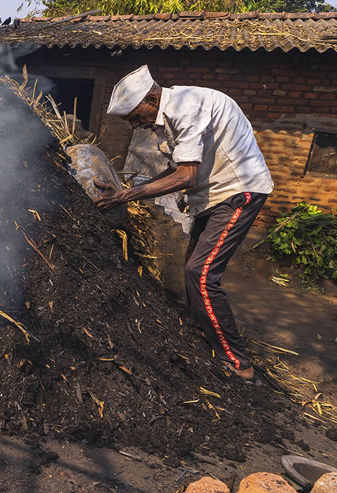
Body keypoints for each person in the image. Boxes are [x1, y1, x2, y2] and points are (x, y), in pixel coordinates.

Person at [94, 65, 274, 380]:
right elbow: (180, 169)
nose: (137, 126)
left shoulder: (187, 108)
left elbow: (186, 176)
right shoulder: (176, 109)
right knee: (193, 271)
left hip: (239, 190)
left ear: (150, 98)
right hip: (215, 195)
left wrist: (127, 197)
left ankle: (238, 363)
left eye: (136, 117)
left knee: (201, 274)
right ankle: (207, 334)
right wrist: (127, 191)